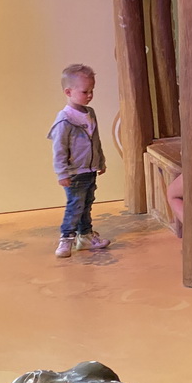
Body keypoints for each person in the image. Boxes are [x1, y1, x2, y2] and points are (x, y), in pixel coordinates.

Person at [47, 64, 110, 258]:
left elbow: (96, 140)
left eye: (92, 91)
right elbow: (58, 149)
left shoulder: (90, 113)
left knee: (87, 203)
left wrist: (100, 161)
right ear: (68, 91)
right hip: (74, 172)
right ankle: (66, 238)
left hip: (89, 170)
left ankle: (85, 236)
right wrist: (62, 173)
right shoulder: (64, 119)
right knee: (75, 205)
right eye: (85, 91)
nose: (90, 95)